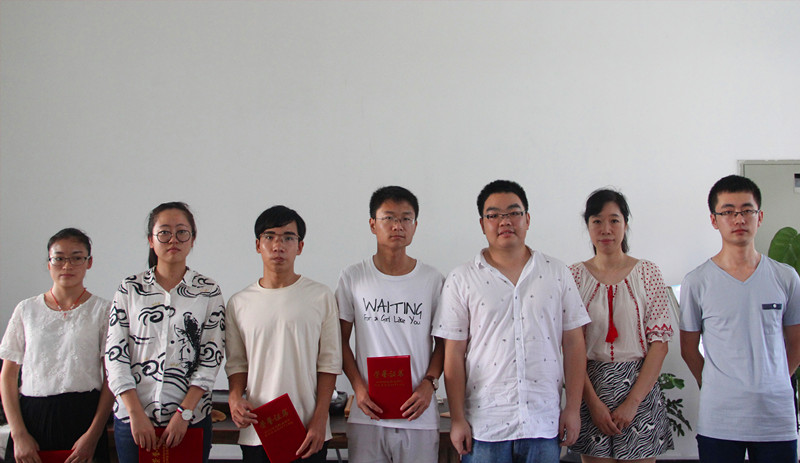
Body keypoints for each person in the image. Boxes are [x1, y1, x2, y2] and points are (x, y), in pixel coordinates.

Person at [432, 179, 590, 463]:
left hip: (543, 422)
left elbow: (574, 344)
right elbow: (453, 354)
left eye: (514, 213)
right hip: (484, 426)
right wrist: (457, 419)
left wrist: (572, 408)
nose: (505, 221)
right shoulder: (462, 278)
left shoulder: (556, 272)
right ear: (482, 224)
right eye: (494, 215)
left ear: (527, 219)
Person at [680, 175, 800, 463]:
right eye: (728, 212)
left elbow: (796, 341)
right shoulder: (697, 281)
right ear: (714, 220)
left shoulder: (785, 277)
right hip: (720, 418)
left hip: (776, 418)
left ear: (760, 217)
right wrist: (714, 386)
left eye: (747, 210)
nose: (739, 219)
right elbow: (688, 349)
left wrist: (776, 381)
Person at [105, 202, 225, 463]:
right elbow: (115, 354)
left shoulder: (208, 290)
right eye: (164, 233)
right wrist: (135, 413)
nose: (173, 239)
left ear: (192, 239)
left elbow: (212, 356)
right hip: (133, 421)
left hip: (190, 420)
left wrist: (184, 413)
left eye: (182, 232)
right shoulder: (130, 289)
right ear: (151, 240)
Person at [336, 186, 445, 463]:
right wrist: (358, 387)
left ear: (415, 225)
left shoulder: (432, 279)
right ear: (373, 224)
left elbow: (444, 343)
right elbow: (339, 340)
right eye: (388, 218)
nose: (398, 226)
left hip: (419, 415)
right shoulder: (353, 277)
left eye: (406, 218)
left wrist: (430, 384)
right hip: (368, 414)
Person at [225, 205, 342, 463]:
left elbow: (330, 362)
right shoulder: (239, 303)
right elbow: (237, 363)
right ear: (258, 245)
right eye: (270, 237)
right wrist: (234, 398)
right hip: (258, 429)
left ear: (300, 246)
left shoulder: (320, 296)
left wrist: (320, 418)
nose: (278, 245)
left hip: (308, 429)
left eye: (288, 237)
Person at [567, 189, 674, 463]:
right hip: (590, 387)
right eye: (597, 221)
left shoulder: (648, 272)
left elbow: (659, 345)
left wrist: (632, 403)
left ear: (625, 224)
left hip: (640, 387)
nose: (606, 229)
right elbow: (570, 347)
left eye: (614, 220)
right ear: (588, 226)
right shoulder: (573, 276)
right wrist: (592, 403)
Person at [0, 228, 113, 463]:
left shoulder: (104, 311)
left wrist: (93, 435)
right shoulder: (26, 310)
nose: (67, 265)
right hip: (32, 418)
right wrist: (18, 433)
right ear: (49, 263)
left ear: (89, 262)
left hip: (84, 418)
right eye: (59, 258)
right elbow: (8, 375)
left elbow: (112, 376)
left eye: (76, 258)